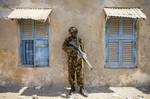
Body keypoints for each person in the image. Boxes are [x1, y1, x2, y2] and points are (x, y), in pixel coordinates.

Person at [62, 27, 88, 97]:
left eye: (75, 32)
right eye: (72, 32)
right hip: (71, 60)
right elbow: (64, 47)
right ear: (70, 33)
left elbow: (83, 49)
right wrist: (72, 50)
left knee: (80, 75)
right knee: (71, 74)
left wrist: (84, 55)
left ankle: (81, 89)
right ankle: (72, 88)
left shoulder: (79, 40)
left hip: (79, 60)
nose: (74, 33)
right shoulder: (67, 40)